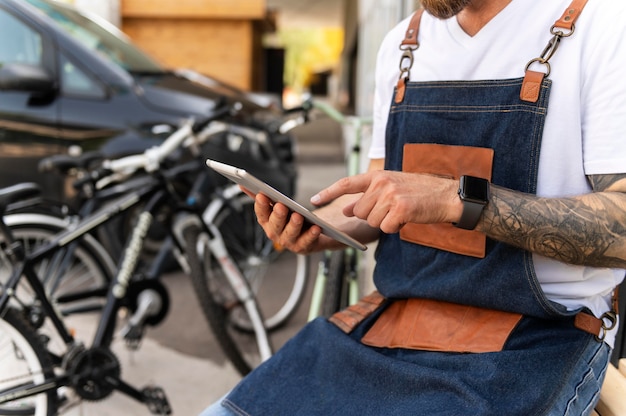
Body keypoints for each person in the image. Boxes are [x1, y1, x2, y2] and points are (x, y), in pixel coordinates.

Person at [201, 0, 626, 414]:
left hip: (536, 341)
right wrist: (317, 225)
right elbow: (373, 196)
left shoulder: (602, 25)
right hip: (392, 326)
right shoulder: (403, 45)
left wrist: (454, 199)